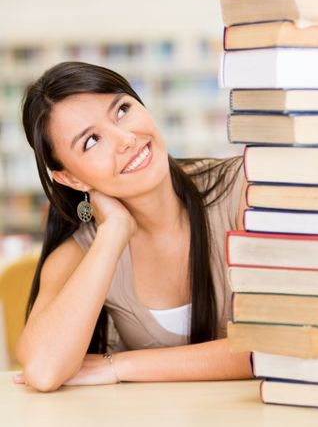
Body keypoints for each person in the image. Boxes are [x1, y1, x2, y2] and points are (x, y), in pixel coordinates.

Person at [14, 61, 252, 392]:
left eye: (122, 110)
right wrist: (113, 232)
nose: (126, 139)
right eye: (91, 141)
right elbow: (43, 369)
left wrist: (120, 365)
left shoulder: (246, 190)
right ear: (70, 177)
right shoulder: (84, 250)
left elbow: (284, 342)